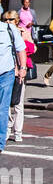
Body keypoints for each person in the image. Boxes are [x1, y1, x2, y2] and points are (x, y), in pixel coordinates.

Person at [0, 10, 26, 153]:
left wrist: (22, 68)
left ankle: (0, 143)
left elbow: (21, 49)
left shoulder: (10, 30)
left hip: (6, 74)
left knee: (3, 109)